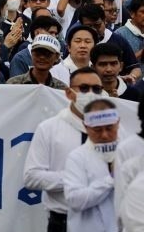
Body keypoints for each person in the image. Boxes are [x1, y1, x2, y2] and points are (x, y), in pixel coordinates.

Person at [24, 67, 107, 232]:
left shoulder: (112, 131)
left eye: (96, 89)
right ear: (69, 93)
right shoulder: (49, 129)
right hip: (63, 221)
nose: (90, 94)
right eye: (83, 88)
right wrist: (74, 179)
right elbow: (31, 177)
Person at [64, 98, 120, 232]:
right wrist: (111, 179)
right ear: (86, 126)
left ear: (118, 123)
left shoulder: (130, 152)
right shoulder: (77, 157)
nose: (105, 135)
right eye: (98, 130)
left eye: (109, 128)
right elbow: (75, 200)